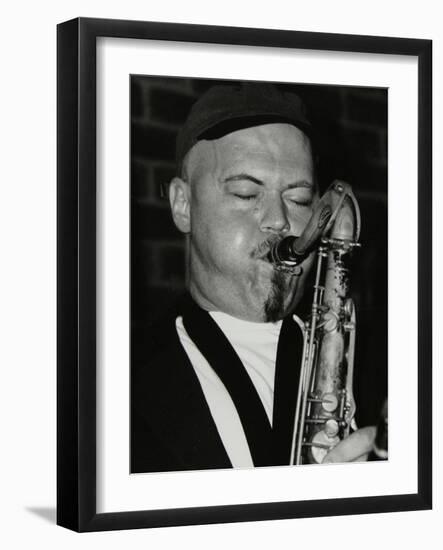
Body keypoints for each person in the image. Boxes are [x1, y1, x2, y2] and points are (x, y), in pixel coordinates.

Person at [131, 83, 376, 473]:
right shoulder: (108, 389)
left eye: (298, 199)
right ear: (183, 205)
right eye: (246, 193)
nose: (280, 221)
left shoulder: (385, 368)